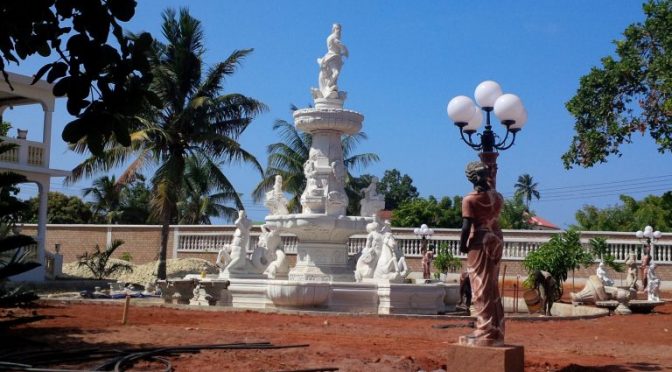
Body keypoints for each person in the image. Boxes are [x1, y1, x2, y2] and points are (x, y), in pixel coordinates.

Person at [458, 160, 505, 346]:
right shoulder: (498, 197)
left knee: (480, 287)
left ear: (472, 178)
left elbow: (466, 226)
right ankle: (496, 328)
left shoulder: (470, 200)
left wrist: (462, 245)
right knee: (492, 286)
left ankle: (484, 330)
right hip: (496, 238)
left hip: (480, 241)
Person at [317, 23, 348, 96]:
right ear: (333, 30)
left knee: (333, 74)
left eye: (340, 29)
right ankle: (328, 85)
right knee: (336, 72)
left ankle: (330, 85)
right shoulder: (333, 37)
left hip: (335, 57)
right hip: (333, 57)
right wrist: (345, 50)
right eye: (337, 29)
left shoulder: (331, 37)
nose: (339, 31)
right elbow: (339, 45)